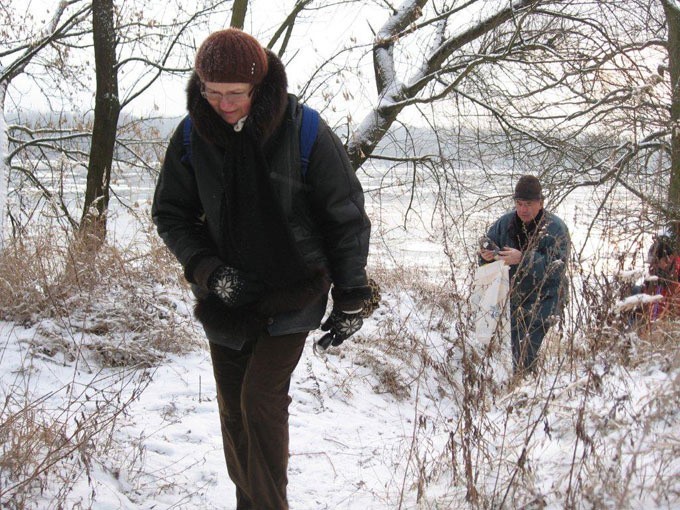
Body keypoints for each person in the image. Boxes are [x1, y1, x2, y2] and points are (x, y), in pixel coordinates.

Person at [151, 29, 372, 510]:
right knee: (233, 412)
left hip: (295, 287)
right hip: (228, 295)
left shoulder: (305, 129)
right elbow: (170, 214)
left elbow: (346, 214)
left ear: (259, 85)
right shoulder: (192, 134)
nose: (223, 104)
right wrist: (210, 272)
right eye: (212, 92)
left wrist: (352, 295)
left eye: (235, 94)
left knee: (259, 402)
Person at [479, 175, 570, 374]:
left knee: (526, 348)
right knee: (514, 347)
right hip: (514, 297)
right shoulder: (505, 223)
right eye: (519, 204)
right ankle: (522, 385)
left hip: (547, 297)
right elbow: (487, 253)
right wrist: (486, 255)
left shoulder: (556, 228)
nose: (523, 209)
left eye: (528, 204)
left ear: (541, 203)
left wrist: (524, 259)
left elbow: (557, 268)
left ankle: (527, 389)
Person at [644, 235, 680, 320]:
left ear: (670, 258)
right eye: (652, 263)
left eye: (656, 262)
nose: (653, 266)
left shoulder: (676, 276)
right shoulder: (655, 277)